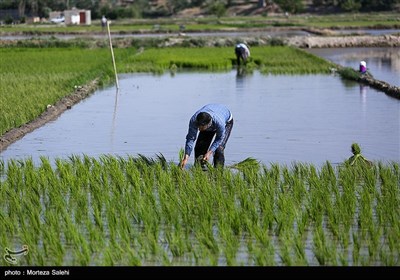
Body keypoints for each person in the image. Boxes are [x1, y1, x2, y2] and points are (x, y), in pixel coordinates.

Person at [179, 104, 234, 170]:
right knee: (200, 147)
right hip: (210, 116)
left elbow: (219, 139)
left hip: (227, 121)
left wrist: (209, 152)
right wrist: (186, 158)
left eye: (201, 127)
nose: (199, 129)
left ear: (208, 125)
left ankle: (218, 173)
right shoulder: (194, 120)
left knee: (219, 149)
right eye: (198, 126)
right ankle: (200, 170)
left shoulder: (220, 123)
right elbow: (191, 138)